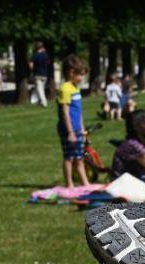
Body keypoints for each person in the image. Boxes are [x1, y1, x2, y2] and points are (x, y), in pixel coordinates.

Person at [57, 54, 89, 188]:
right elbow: (65, 111)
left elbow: (79, 111)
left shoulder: (76, 88)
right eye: (80, 75)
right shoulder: (65, 88)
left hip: (77, 129)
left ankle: (85, 182)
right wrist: (70, 132)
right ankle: (69, 184)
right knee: (69, 158)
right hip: (67, 129)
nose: (82, 78)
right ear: (71, 72)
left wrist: (81, 128)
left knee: (80, 157)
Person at [29, 41, 50, 107]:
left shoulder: (35, 55)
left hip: (37, 74)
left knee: (40, 89)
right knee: (41, 88)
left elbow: (31, 65)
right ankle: (39, 102)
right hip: (45, 74)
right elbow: (48, 62)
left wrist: (32, 70)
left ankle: (44, 103)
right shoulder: (45, 55)